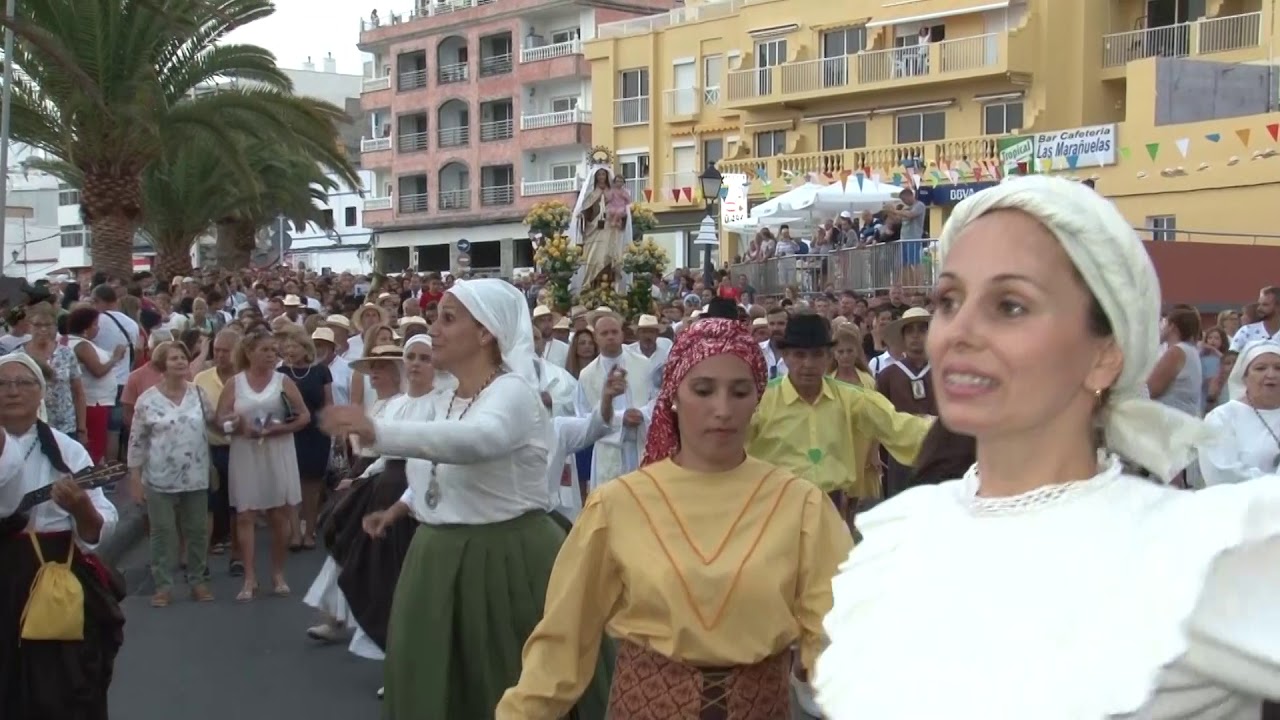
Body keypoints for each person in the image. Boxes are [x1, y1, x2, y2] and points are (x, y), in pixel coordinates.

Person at [815, 174, 1280, 719]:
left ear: (1104, 354)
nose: (958, 330)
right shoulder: (901, 535)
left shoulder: (1199, 548)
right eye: (949, 300)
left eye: (1010, 305)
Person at [496, 317, 852, 718]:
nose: (722, 409)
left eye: (739, 392)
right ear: (673, 396)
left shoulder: (799, 504)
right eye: (703, 390)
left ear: (758, 399)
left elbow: (838, 628)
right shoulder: (619, 505)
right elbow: (564, 638)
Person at [320, 279, 613, 719]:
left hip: (506, 559)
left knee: (505, 678)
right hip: (437, 558)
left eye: (449, 319)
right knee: (438, 684)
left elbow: (479, 440)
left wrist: (377, 431)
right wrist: (402, 508)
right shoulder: (444, 398)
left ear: (485, 333)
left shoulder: (512, 393)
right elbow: (439, 470)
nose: (434, 329)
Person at [0, 353, 124, 717]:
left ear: (40, 393)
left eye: (22, 383)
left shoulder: (66, 449)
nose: (12, 391)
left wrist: (80, 508)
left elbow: (101, 519)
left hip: (51, 582)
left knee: (62, 691)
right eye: (3, 384)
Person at [215, 325, 310, 601]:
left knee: (278, 514)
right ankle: (249, 577)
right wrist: (236, 423)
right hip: (246, 451)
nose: (271, 355)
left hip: (277, 448)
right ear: (249, 352)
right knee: (245, 514)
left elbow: (304, 416)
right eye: (265, 350)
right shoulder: (236, 382)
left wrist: (278, 429)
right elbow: (221, 417)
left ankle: (278, 573)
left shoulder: (283, 382)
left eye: (273, 350)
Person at [126, 341, 216, 606]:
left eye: (183, 357)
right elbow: (137, 440)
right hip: (158, 476)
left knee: (198, 530)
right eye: (174, 358)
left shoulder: (198, 393)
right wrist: (134, 477)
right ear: (162, 365)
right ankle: (163, 585)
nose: (180, 362)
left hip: (196, 474)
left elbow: (215, 423)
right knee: (162, 531)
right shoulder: (148, 400)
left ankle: (197, 581)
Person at [570, 166, 632, 293]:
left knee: (608, 258)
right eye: (599, 175)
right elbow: (584, 212)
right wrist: (582, 215)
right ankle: (591, 287)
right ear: (595, 177)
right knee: (593, 259)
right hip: (593, 231)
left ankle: (609, 288)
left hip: (610, 230)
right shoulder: (591, 193)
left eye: (603, 174)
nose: (601, 177)